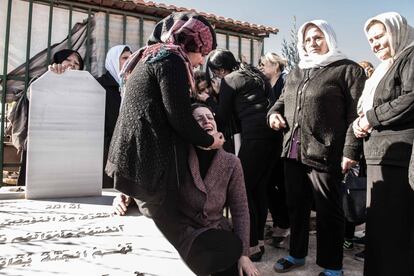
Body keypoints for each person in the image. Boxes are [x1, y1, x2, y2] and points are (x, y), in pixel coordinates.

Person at [105, 11, 228, 273]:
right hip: (148, 161)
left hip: (136, 157)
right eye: (202, 51)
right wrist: (209, 141)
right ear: (190, 42)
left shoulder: (153, 55)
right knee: (165, 235)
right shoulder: (171, 59)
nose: (202, 60)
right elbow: (179, 117)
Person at [114, 103, 259, 276]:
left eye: (210, 117)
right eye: (199, 119)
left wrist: (244, 255)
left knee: (233, 256)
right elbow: (148, 181)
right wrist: (124, 196)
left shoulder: (231, 163)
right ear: (189, 127)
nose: (207, 121)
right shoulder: (177, 154)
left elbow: (241, 210)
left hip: (215, 236)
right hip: (183, 232)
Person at [268, 20, 365, 276]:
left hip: (326, 152)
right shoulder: (298, 72)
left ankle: (333, 266)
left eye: (318, 37)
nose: (312, 43)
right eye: (308, 39)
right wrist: (273, 115)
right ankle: (296, 254)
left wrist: (350, 151)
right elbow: (280, 102)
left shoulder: (348, 70)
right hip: (292, 151)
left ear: (329, 38)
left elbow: (356, 114)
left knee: (328, 210)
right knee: (296, 207)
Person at [198, 49, 280, 261]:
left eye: (216, 73)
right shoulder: (257, 75)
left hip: (254, 139)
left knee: (245, 191)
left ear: (220, 69)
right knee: (260, 189)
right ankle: (258, 241)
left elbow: (223, 118)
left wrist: (208, 99)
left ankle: (251, 244)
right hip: (274, 137)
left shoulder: (230, 80)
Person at [352, 12, 414, 276]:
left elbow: (411, 97)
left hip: (399, 158)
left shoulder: (410, 56)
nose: (375, 44)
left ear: (396, 31)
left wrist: (370, 118)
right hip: (378, 157)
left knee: (396, 235)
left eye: (380, 36)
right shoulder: (385, 67)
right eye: (371, 40)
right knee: (379, 232)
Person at [10, 49, 84, 186]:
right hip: (41, 146)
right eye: (68, 60)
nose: (72, 64)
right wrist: (51, 78)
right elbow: (31, 95)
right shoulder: (42, 79)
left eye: (76, 63)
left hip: (69, 147)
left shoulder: (83, 88)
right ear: (58, 62)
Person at [258, 52, 290, 248]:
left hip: (282, 141)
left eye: (264, 64)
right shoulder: (263, 84)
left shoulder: (286, 81)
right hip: (266, 141)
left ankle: (284, 225)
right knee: (268, 184)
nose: (261, 67)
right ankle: (280, 222)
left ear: (276, 65)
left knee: (281, 185)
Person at [96, 45, 132, 188]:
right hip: (103, 152)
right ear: (113, 60)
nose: (129, 61)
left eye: (131, 58)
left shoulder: (131, 87)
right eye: (124, 58)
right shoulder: (99, 85)